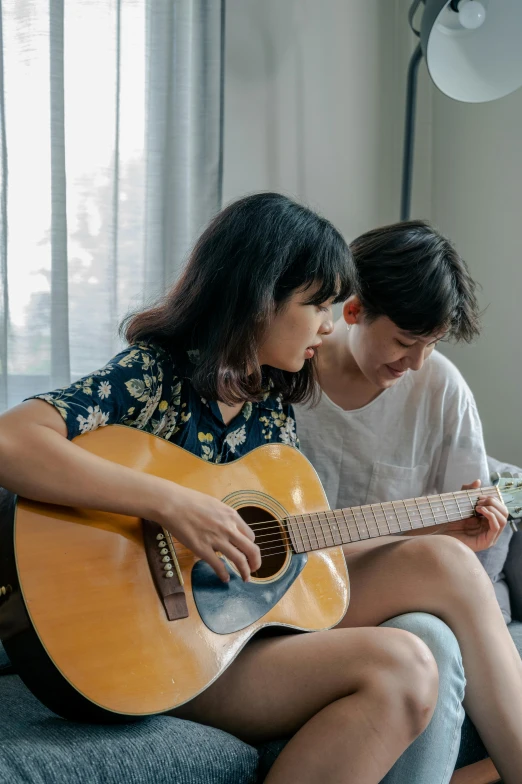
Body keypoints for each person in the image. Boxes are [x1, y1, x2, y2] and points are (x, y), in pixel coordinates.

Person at [0, 196, 516, 784]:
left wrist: (424, 530)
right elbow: (11, 442)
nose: (330, 322)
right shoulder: (153, 376)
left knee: (423, 623)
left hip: (239, 632)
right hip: (159, 652)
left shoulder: (270, 410)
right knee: (406, 656)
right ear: (259, 298)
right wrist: (172, 504)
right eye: (317, 304)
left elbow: (293, 557)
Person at [295, 218, 522, 781]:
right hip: (292, 589)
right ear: (352, 311)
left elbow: (473, 554)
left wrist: (464, 531)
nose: (417, 362)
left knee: (432, 641)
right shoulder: (289, 373)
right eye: (404, 342)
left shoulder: (441, 389)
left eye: (432, 344)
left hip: (391, 598)